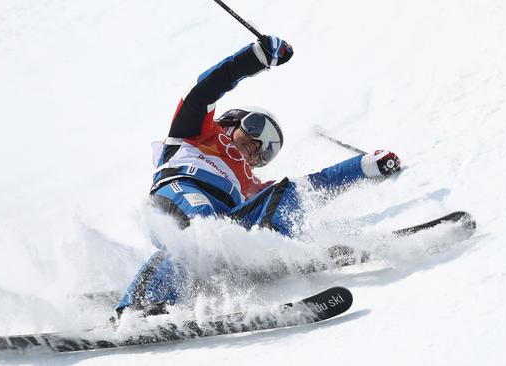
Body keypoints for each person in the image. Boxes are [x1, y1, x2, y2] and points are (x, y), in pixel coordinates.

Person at [116, 35, 400, 316]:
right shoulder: (197, 131)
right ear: (233, 119)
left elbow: (313, 186)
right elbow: (203, 90)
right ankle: (136, 309)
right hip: (177, 196)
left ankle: (271, 252)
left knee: (288, 192)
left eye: (268, 150)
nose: (257, 147)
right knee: (201, 226)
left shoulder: (249, 183)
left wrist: (364, 166)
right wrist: (256, 57)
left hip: (221, 233)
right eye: (256, 129)